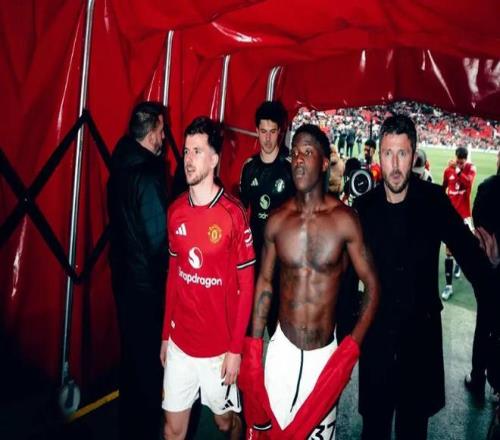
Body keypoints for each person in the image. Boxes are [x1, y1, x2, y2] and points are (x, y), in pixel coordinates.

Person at [353, 114, 494, 440]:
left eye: (402, 153)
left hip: (420, 339)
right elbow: (345, 278)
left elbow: (467, 252)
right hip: (377, 340)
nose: (395, 165)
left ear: (413, 154)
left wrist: (493, 277)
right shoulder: (364, 207)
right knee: (373, 430)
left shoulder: (433, 200)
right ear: (379, 155)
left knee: (413, 431)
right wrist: (348, 338)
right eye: (388, 153)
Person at [240, 124, 380, 439]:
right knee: (268, 433)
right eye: (294, 153)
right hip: (282, 351)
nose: (298, 160)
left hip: (324, 358)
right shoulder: (278, 219)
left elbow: (372, 285)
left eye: (307, 152)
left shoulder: (344, 220)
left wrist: (351, 348)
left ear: (325, 162)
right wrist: (253, 346)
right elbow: (265, 283)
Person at [161, 116, 255, 440]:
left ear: (214, 159)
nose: (188, 159)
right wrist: (165, 335)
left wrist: (235, 349)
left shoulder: (233, 214)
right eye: (186, 151)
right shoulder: (175, 211)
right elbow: (174, 277)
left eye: (197, 151)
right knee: (173, 430)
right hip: (180, 346)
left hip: (219, 351)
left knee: (225, 423)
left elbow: (247, 286)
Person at [107, 101, 168, 440]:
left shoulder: (120, 164)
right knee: (147, 372)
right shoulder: (146, 174)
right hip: (146, 289)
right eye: (162, 130)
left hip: (124, 281)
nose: (164, 137)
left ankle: (128, 431)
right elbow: (158, 239)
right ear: (151, 132)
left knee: (130, 364)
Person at [239, 100, 294, 336]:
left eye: (272, 132)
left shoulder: (290, 168)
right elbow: (241, 213)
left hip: (282, 256)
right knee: (251, 320)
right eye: (263, 131)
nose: (268, 138)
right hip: (255, 254)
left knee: (277, 324)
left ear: (280, 131)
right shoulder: (249, 168)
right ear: (256, 131)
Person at [465, 150, 500, 400]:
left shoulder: (488, 187)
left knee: (485, 322)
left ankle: (478, 377)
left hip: (488, 267)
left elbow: (478, 220)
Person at [441, 146, 477, 300]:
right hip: (450, 216)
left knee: (465, 248)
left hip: (464, 216)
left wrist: (458, 170)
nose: (460, 165)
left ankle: (459, 265)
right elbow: (443, 188)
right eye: (458, 162)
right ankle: (449, 287)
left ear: (465, 160)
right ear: (455, 157)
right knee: (449, 251)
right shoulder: (448, 171)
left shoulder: (470, 169)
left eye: (462, 163)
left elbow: (468, 183)